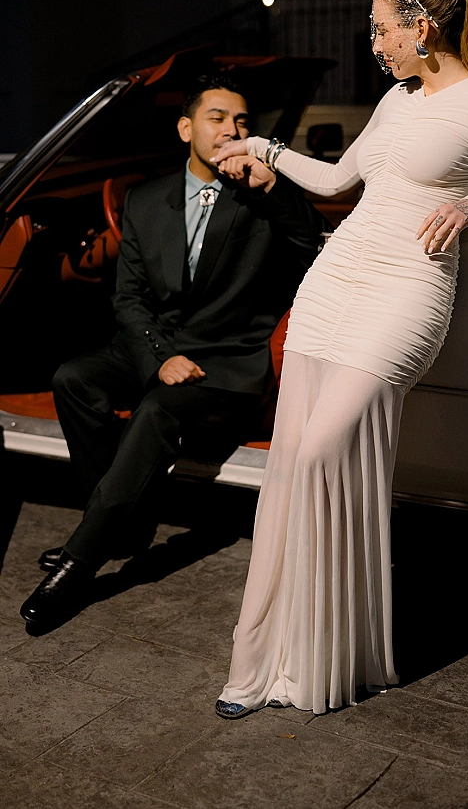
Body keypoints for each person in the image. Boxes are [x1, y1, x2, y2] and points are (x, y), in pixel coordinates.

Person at [213, 0, 468, 718]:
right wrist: (264, 148)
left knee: (324, 450)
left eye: (381, 28)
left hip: (408, 290)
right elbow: (337, 181)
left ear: (421, 27)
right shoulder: (396, 99)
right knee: (291, 462)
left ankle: (333, 651)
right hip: (334, 282)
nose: (375, 43)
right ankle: (274, 658)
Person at [20, 75, 331, 627]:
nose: (231, 130)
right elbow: (129, 299)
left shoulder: (261, 195)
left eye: (241, 121)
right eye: (217, 118)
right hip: (158, 346)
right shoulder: (145, 199)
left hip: (227, 363)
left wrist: (270, 186)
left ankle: (80, 560)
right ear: (186, 129)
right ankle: (122, 528)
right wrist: (159, 356)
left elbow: (315, 242)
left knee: (157, 409)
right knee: (73, 378)